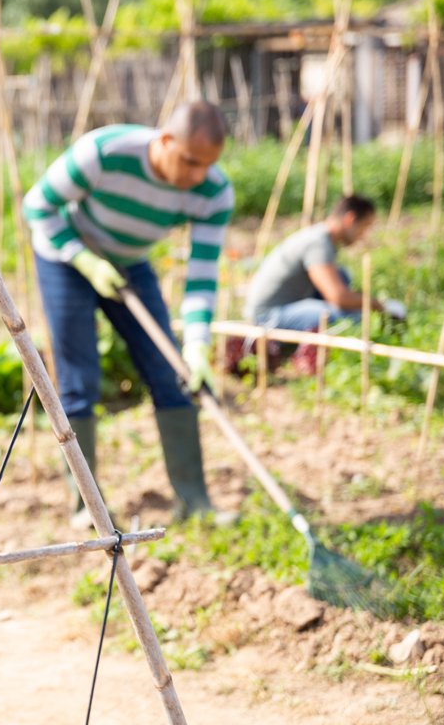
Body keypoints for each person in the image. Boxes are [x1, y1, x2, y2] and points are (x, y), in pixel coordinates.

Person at [23, 101, 234, 527]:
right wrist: (84, 261)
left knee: (172, 373)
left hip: (130, 262)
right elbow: (37, 206)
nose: (196, 176)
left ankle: (194, 501)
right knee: (79, 380)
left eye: (206, 166)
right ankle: (88, 507)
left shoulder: (213, 193)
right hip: (66, 257)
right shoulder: (104, 152)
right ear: (165, 140)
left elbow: (202, 276)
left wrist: (197, 347)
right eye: (190, 162)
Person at [243, 194, 406, 332]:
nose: (364, 234)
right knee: (348, 317)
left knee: (342, 276)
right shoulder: (318, 243)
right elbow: (338, 297)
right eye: (365, 226)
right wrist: (380, 305)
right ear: (350, 219)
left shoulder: (322, 239)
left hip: (285, 307)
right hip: (267, 317)